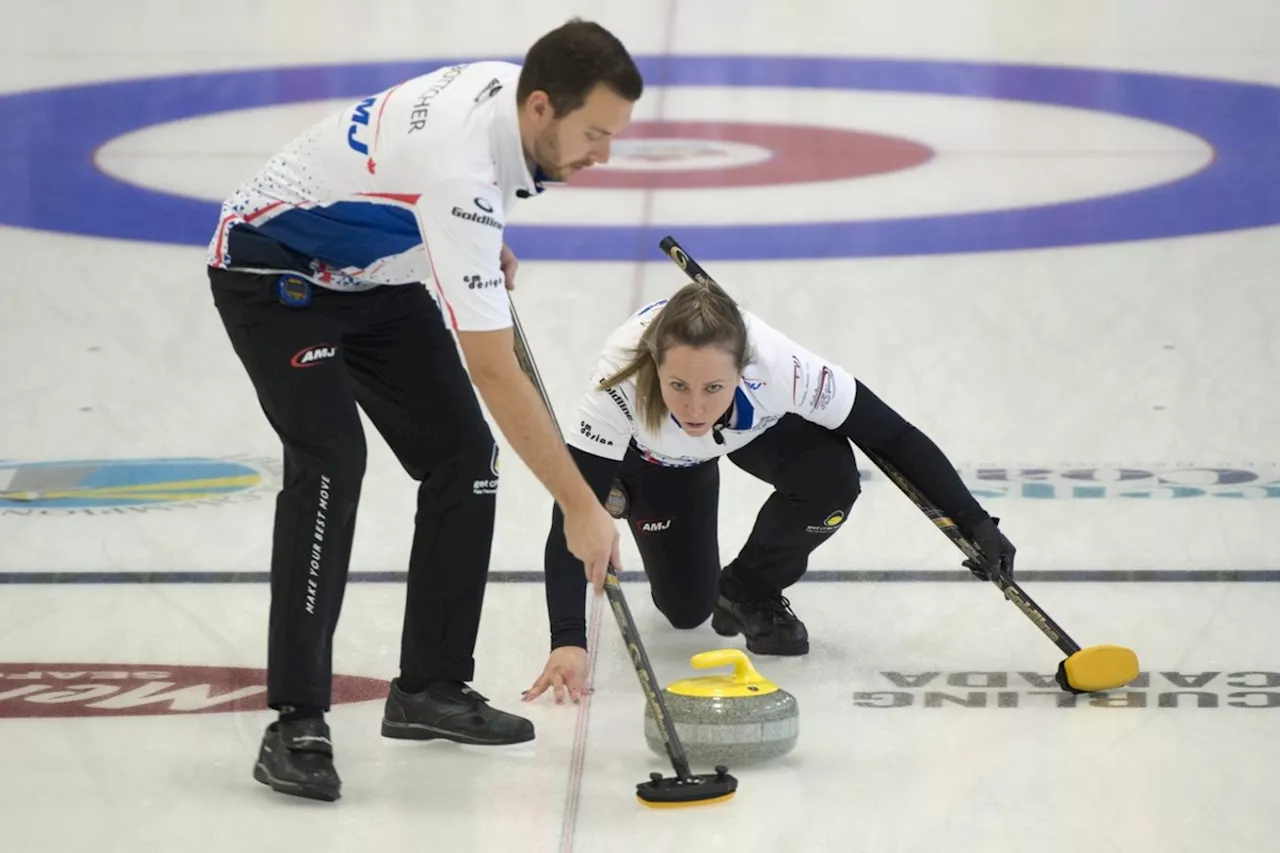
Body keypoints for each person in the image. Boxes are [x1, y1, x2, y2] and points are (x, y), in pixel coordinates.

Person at [206, 19, 643, 801]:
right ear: (541, 107)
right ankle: (296, 720)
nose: (605, 155)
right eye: (596, 134)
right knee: (334, 462)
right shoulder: (462, 175)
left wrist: (461, 244)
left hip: (374, 272)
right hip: (274, 271)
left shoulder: (509, 107)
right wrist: (580, 505)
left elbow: (421, 188)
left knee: (463, 459)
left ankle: (430, 688)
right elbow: (494, 370)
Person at [523, 279, 1016, 704]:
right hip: (659, 460)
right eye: (678, 385)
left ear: (744, 369)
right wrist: (569, 641)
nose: (695, 407)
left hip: (754, 429)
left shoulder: (782, 366)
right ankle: (638, 490)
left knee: (831, 480)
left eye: (714, 387)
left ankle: (749, 590)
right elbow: (571, 514)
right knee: (686, 611)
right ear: (653, 365)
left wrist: (974, 520)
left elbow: (891, 435)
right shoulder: (617, 382)